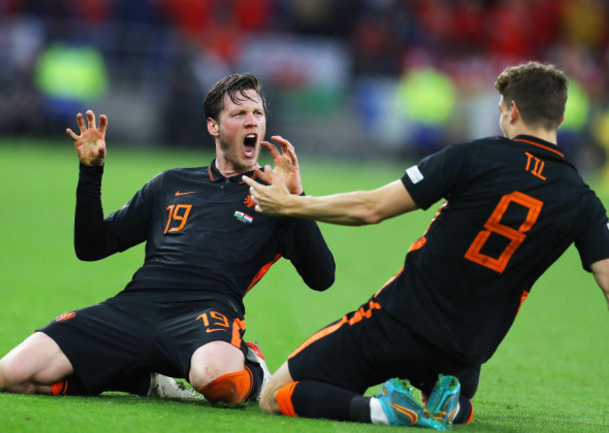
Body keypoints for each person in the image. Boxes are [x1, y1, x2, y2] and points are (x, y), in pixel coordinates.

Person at [243, 61, 609, 429]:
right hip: (465, 354)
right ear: (560, 119)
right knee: (456, 391)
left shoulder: (474, 157)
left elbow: (371, 209)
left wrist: (290, 204)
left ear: (512, 110)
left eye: (501, 110)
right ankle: (451, 407)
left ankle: (381, 411)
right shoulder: (584, 201)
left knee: (275, 396)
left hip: (399, 324)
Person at [0, 73, 335, 404]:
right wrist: (90, 174)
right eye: (239, 113)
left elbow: (322, 277)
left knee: (221, 381)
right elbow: (91, 247)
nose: (252, 122)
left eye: (257, 113)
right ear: (213, 126)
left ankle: (253, 367)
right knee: (12, 374)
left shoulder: (274, 198)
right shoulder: (170, 184)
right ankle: (141, 378)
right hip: (136, 307)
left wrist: (297, 199)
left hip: (205, 313)